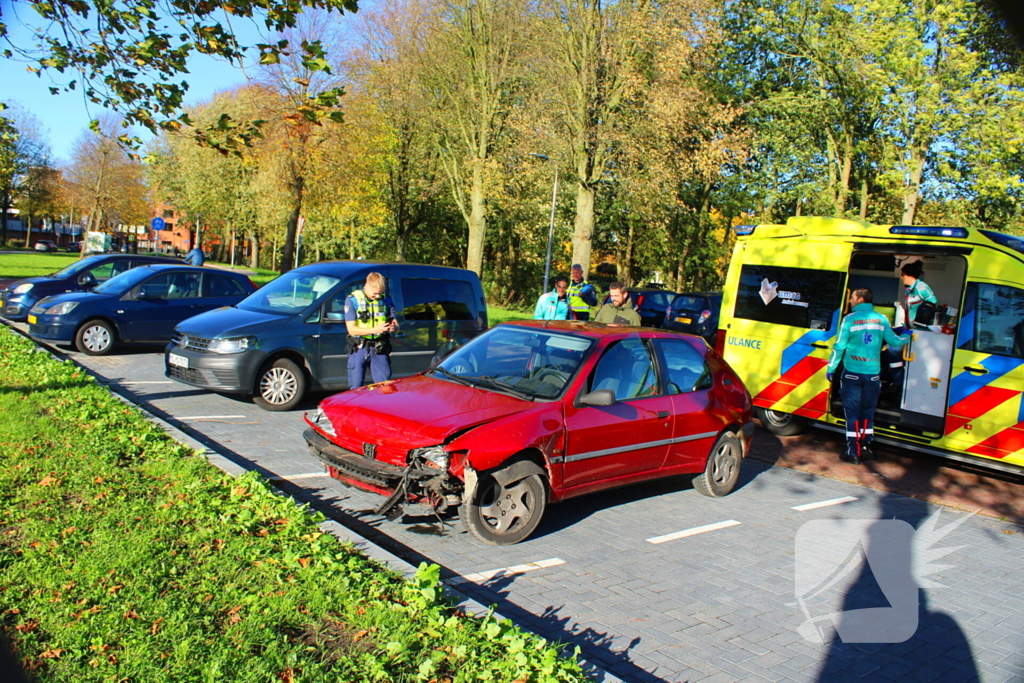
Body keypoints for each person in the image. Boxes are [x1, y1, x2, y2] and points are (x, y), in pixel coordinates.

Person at [826, 288, 910, 465]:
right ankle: (866, 448)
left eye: (852, 298)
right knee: (867, 413)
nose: (850, 301)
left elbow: (839, 346)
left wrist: (832, 368)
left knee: (852, 413)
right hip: (873, 376)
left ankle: (853, 452)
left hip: (852, 375)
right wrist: (907, 337)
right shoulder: (881, 319)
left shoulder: (849, 319)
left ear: (861, 299)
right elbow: (894, 341)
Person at [884, 260, 938, 392]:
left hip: (920, 331)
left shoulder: (921, 288)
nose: (901, 278)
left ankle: (897, 383)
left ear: (910, 276)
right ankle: (892, 379)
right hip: (910, 328)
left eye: (903, 275)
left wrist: (922, 319)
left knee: (893, 349)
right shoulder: (909, 290)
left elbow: (933, 304)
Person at [345, 272, 399, 389]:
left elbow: (396, 324)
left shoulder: (387, 300)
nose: (378, 296)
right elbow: (351, 330)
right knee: (356, 387)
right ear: (367, 286)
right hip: (359, 347)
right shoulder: (353, 300)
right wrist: (376, 329)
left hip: (379, 348)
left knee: (384, 387)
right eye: (375, 293)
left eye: (380, 293)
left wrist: (393, 327)